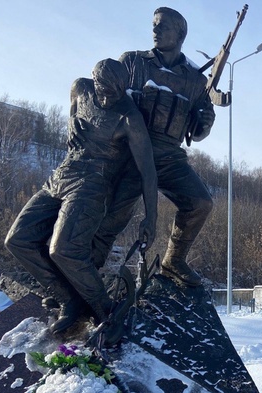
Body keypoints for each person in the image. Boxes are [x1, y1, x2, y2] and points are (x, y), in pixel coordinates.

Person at [5, 59, 157, 333]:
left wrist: (151, 217)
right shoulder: (81, 88)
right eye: (104, 89)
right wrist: (72, 122)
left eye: (115, 92)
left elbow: (148, 171)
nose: (108, 96)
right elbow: (73, 110)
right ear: (95, 81)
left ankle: (104, 309)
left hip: (93, 184)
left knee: (64, 249)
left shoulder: (129, 118)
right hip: (62, 174)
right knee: (18, 239)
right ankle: (69, 299)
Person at [92, 7, 216, 287]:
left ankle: (174, 261)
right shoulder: (132, 62)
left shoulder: (196, 80)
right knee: (114, 216)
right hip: (133, 152)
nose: (155, 31)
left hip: (170, 156)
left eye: (163, 26)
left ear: (180, 34)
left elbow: (196, 133)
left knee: (200, 203)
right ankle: (83, 275)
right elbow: (105, 100)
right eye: (154, 25)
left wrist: (206, 123)